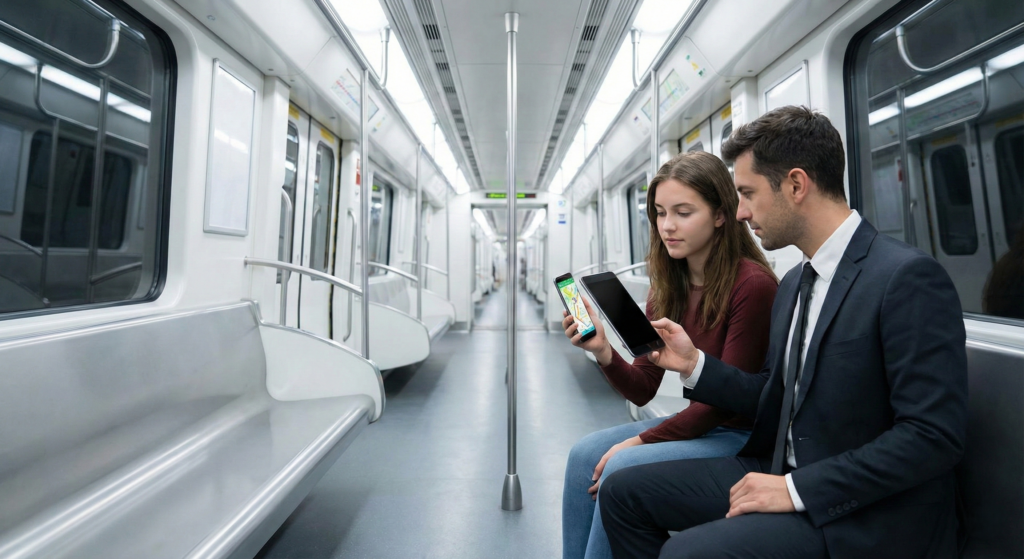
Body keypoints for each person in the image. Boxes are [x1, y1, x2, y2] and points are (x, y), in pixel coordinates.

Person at [598, 106, 968, 559]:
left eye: (748, 194)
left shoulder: (905, 278)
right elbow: (768, 396)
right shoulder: (796, 283)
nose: (740, 213)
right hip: (777, 467)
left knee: (687, 554)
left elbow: (933, 437)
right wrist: (695, 365)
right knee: (623, 493)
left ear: (795, 185)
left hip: (862, 508)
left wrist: (795, 489)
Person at [561, 151, 778, 559]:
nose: (668, 226)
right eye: (660, 213)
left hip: (743, 437)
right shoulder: (666, 286)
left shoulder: (752, 285)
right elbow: (643, 389)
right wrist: (605, 352)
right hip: (702, 426)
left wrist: (639, 440)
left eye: (683, 212)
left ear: (719, 215)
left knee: (620, 468)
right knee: (583, 455)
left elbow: (720, 402)